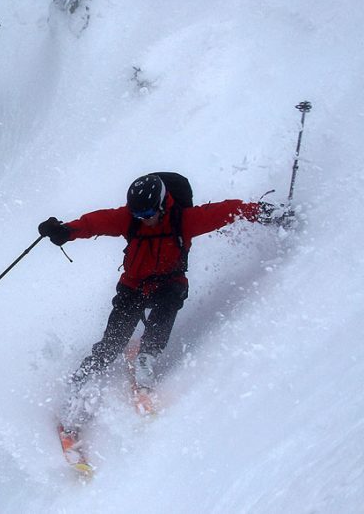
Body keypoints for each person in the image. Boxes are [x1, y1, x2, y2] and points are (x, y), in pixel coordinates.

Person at [38, 173, 291, 437]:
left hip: (169, 283)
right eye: (138, 214)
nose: (143, 220)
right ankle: (76, 391)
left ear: (161, 205)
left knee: (166, 309)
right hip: (133, 287)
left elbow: (229, 210)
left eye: (148, 213)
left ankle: (145, 359)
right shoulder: (130, 219)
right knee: (111, 345)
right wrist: (65, 231)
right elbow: (95, 222)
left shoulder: (185, 220)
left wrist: (266, 212)